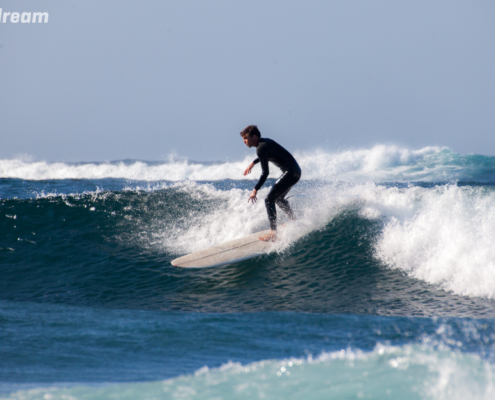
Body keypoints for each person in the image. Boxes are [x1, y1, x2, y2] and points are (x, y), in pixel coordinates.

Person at [241, 125, 301, 242]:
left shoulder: (261, 148)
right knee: (278, 199)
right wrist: (253, 162)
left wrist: (255, 189)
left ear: (254, 137)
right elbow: (265, 155)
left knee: (269, 200)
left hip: (290, 172)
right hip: (295, 172)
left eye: (246, 138)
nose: (244, 142)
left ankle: (273, 233)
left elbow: (265, 173)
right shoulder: (265, 142)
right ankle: (293, 220)